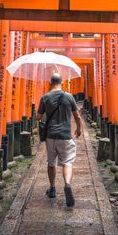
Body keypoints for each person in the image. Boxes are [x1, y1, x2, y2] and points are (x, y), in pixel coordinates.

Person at [36, 73, 82, 207]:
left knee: (51, 163)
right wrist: (78, 129)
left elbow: (38, 117)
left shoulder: (45, 97)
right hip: (65, 135)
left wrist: (43, 114)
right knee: (67, 162)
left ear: (51, 83)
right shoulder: (69, 96)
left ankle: (52, 188)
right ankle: (67, 184)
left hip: (50, 136)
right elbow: (77, 116)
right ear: (61, 82)